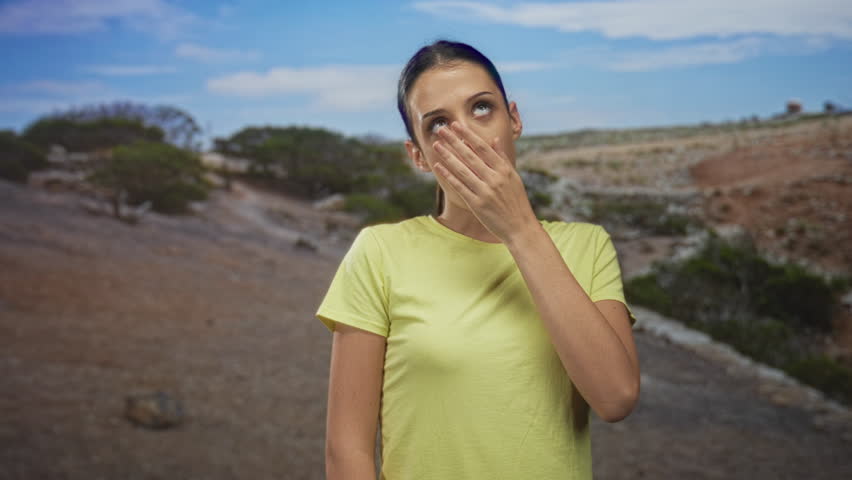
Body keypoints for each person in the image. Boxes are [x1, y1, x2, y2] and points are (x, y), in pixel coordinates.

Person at [316, 39, 640, 480]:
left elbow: (616, 397)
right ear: (419, 157)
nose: (466, 135)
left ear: (515, 119)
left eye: (482, 109)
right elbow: (346, 451)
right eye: (438, 124)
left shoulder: (587, 246)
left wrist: (520, 230)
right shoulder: (379, 252)